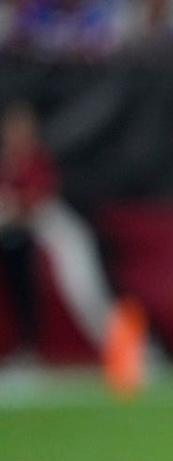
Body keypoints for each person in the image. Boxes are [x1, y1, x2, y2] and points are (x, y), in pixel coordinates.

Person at [0, 100, 147, 395]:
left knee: (86, 293)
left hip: (63, 236)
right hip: (24, 241)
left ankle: (134, 353)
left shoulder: (37, 161)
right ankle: (28, 353)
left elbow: (35, 202)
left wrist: (13, 208)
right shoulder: (8, 163)